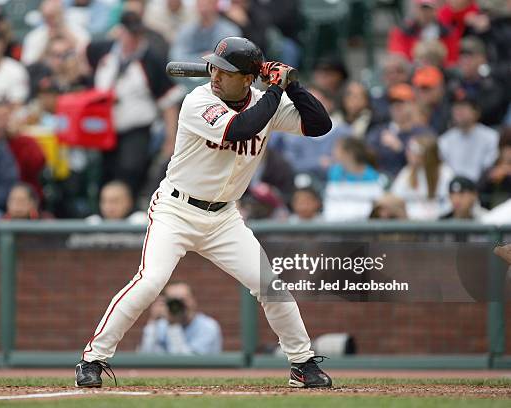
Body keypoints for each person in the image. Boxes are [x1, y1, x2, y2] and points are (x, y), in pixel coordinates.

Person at [75, 37, 333, 389]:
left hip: (224, 218)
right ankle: (92, 359)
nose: (214, 74)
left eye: (225, 71)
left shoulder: (263, 101)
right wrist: (274, 89)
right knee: (150, 282)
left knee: (270, 286)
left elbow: (320, 125)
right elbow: (240, 128)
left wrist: (294, 86)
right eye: (214, 66)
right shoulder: (198, 100)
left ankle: (302, 363)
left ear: (246, 78)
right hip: (176, 209)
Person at [87, 10, 182, 197]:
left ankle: (128, 216)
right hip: (105, 128)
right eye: (130, 33)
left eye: (137, 33)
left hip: (136, 128)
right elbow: (84, 57)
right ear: (120, 32)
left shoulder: (151, 59)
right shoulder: (104, 51)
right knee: (104, 173)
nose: (134, 38)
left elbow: (168, 101)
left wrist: (171, 139)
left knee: (130, 171)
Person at [366, 83, 432, 177]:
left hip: (414, 183)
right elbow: (367, 156)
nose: (396, 106)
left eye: (401, 102)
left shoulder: (423, 133)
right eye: (392, 103)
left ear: (413, 105)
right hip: (382, 183)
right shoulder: (379, 132)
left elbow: (429, 161)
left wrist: (400, 148)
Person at [139, 281, 222, 354]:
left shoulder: (207, 327)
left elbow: (186, 364)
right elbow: (145, 356)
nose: (178, 306)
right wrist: (153, 322)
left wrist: (173, 325)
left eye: (183, 300)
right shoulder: (161, 325)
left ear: (193, 301)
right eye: (173, 301)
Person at [438, 91, 499, 182]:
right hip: (452, 189)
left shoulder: (491, 136)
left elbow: (488, 166)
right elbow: (443, 169)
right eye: (456, 107)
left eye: (463, 107)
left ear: (476, 112)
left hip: (482, 187)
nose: (458, 111)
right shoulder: (444, 139)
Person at [391, 134, 454, 220]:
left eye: (414, 150)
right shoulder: (407, 171)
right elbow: (395, 197)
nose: (408, 153)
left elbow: (448, 204)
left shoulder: (445, 173)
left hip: (438, 221)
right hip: (409, 222)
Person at [21, 0, 91, 66]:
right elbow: (29, 65)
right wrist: (47, 44)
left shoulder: (79, 32)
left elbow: (87, 59)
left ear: (62, 13)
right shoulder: (34, 37)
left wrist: (67, 35)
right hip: (46, 74)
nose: (50, 20)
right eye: (46, 17)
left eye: (54, 16)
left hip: (73, 75)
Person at [387, 0, 458, 66]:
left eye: (429, 9)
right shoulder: (402, 31)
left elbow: (452, 60)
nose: (426, 13)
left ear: (436, 10)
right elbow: (398, 57)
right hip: (413, 71)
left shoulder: (448, 32)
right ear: (416, 9)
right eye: (423, 9)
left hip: (441, 71)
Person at [478, 127, 511, 209]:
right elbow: (478, 190)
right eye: (507, 147)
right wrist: (490, 178)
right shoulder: (492, 168)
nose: (509, 152)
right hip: (492, 213)